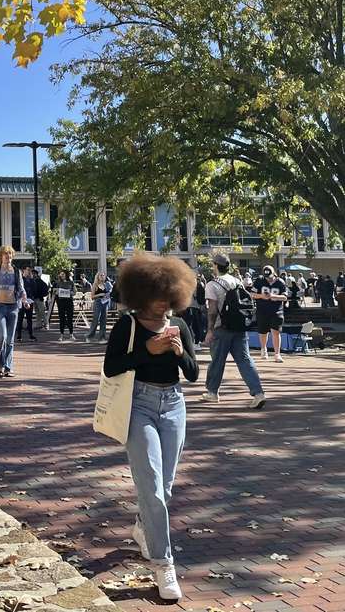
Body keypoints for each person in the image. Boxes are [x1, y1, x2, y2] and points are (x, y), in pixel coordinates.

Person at [102, 252, 199, 603]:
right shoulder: (127, 326)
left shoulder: (180, 326)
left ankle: (144, 528)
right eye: (156, 296)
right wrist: (146, 349)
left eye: (168, 296)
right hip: (137, 406)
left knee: (166, 489)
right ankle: (163, 564)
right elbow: (112, 367)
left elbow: (192, 372)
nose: (162, 304)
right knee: (153, 488)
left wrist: (176, 352)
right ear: (140, 293)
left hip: (174, 405)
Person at [201, 252, 266, 409]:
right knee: (245, 359)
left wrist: (209, 330)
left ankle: (212, 392)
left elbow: (212, 309)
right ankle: (258, 393)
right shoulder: (237, 281)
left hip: (221, 327)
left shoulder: (212, 284)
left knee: (217, 360)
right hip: (239, 326)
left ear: (216, 265)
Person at [0, 246, 27, 378]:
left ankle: (9, 367)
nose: (8, 257)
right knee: (2, 337)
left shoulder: (16, 271)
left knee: (10, 340)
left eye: (10, 255)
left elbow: (20, 288)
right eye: (5, 255)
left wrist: (24, 300)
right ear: (1, 256)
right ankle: (1, 366)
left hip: (13, 307)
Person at [254, 265, 287, 362]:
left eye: (270, 277)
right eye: (266, 277)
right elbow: (252, 294)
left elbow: (285, 297)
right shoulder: (259, 281)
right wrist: (261, 296)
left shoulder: (280, 282)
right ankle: (263, 349)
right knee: (263, 332)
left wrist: (274, 296)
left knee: (276, 332)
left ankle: (277, 353)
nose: (268, 279)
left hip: (277, 310)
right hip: (262, 310)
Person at [87, 271, 114, 342]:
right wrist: (100, 294)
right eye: (101, 275)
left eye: (103, 275)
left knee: (103, 320)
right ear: (98, 277)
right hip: (98, 303)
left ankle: (101, 338)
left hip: (105, 303)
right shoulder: (95, 285)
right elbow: (92, 297)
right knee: (96, 320)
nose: (102, 277)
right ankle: (89, 336)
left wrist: (109, 293)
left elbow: (112, 291)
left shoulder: (107, 284)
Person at [18, 266, 40, 343]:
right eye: (27, 270)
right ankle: (19, 335)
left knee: (29, 319)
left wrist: (32, 298)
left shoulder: (32, 280)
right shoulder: (20, 280)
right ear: (23, 271)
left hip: (29, 301)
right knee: (20, 318)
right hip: (21, 301)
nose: (29, 271)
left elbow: (35, 290)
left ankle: (31, 335)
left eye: (30, 270)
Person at [54, 270, 76, 341]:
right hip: (61, 302)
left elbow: (74, 292)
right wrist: (57, 292)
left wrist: (69, 292)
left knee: (70, 318)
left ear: (66, 275)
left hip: (69, 302)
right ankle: (61, 335)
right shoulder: (58, 283)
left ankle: (71, 334)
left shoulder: (71, 282)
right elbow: (55, 292)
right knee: (62, 319)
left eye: (63, 274)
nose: (61, 275)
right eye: (60, 274)